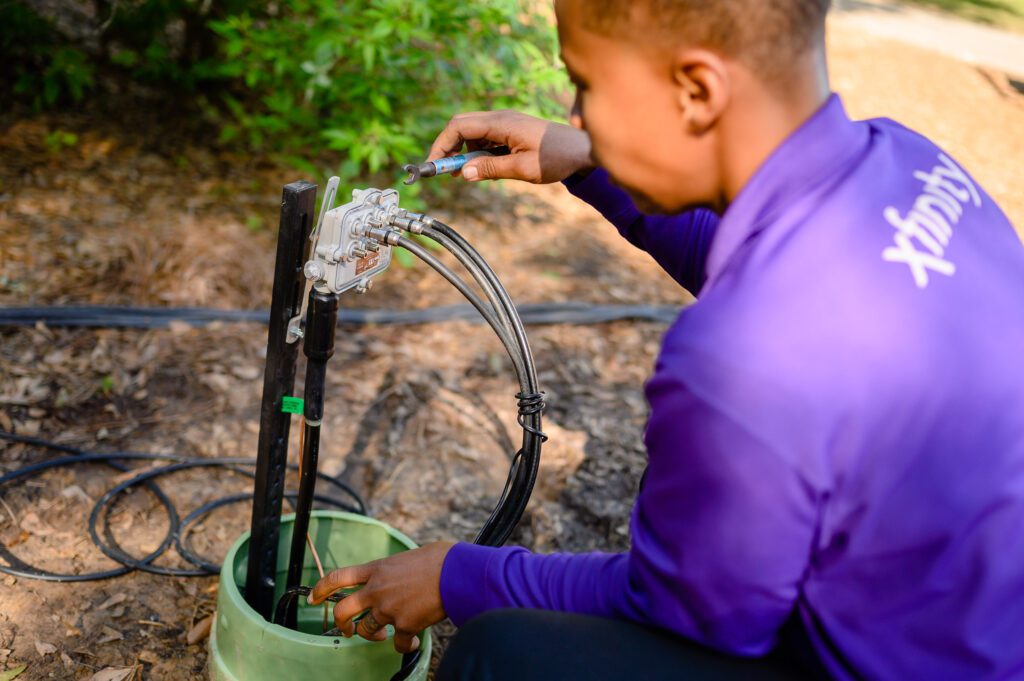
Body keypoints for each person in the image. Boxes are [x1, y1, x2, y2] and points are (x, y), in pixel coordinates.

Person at [308, 0, 1024, 678]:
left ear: (696, 90)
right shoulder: (912, 162)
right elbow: (758, 252)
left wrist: (457, 575)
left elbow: (689, 613)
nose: (577, 113)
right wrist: (592, 159)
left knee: (501, 654)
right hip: (978, 624)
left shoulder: (744, 359)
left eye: (586, 85)